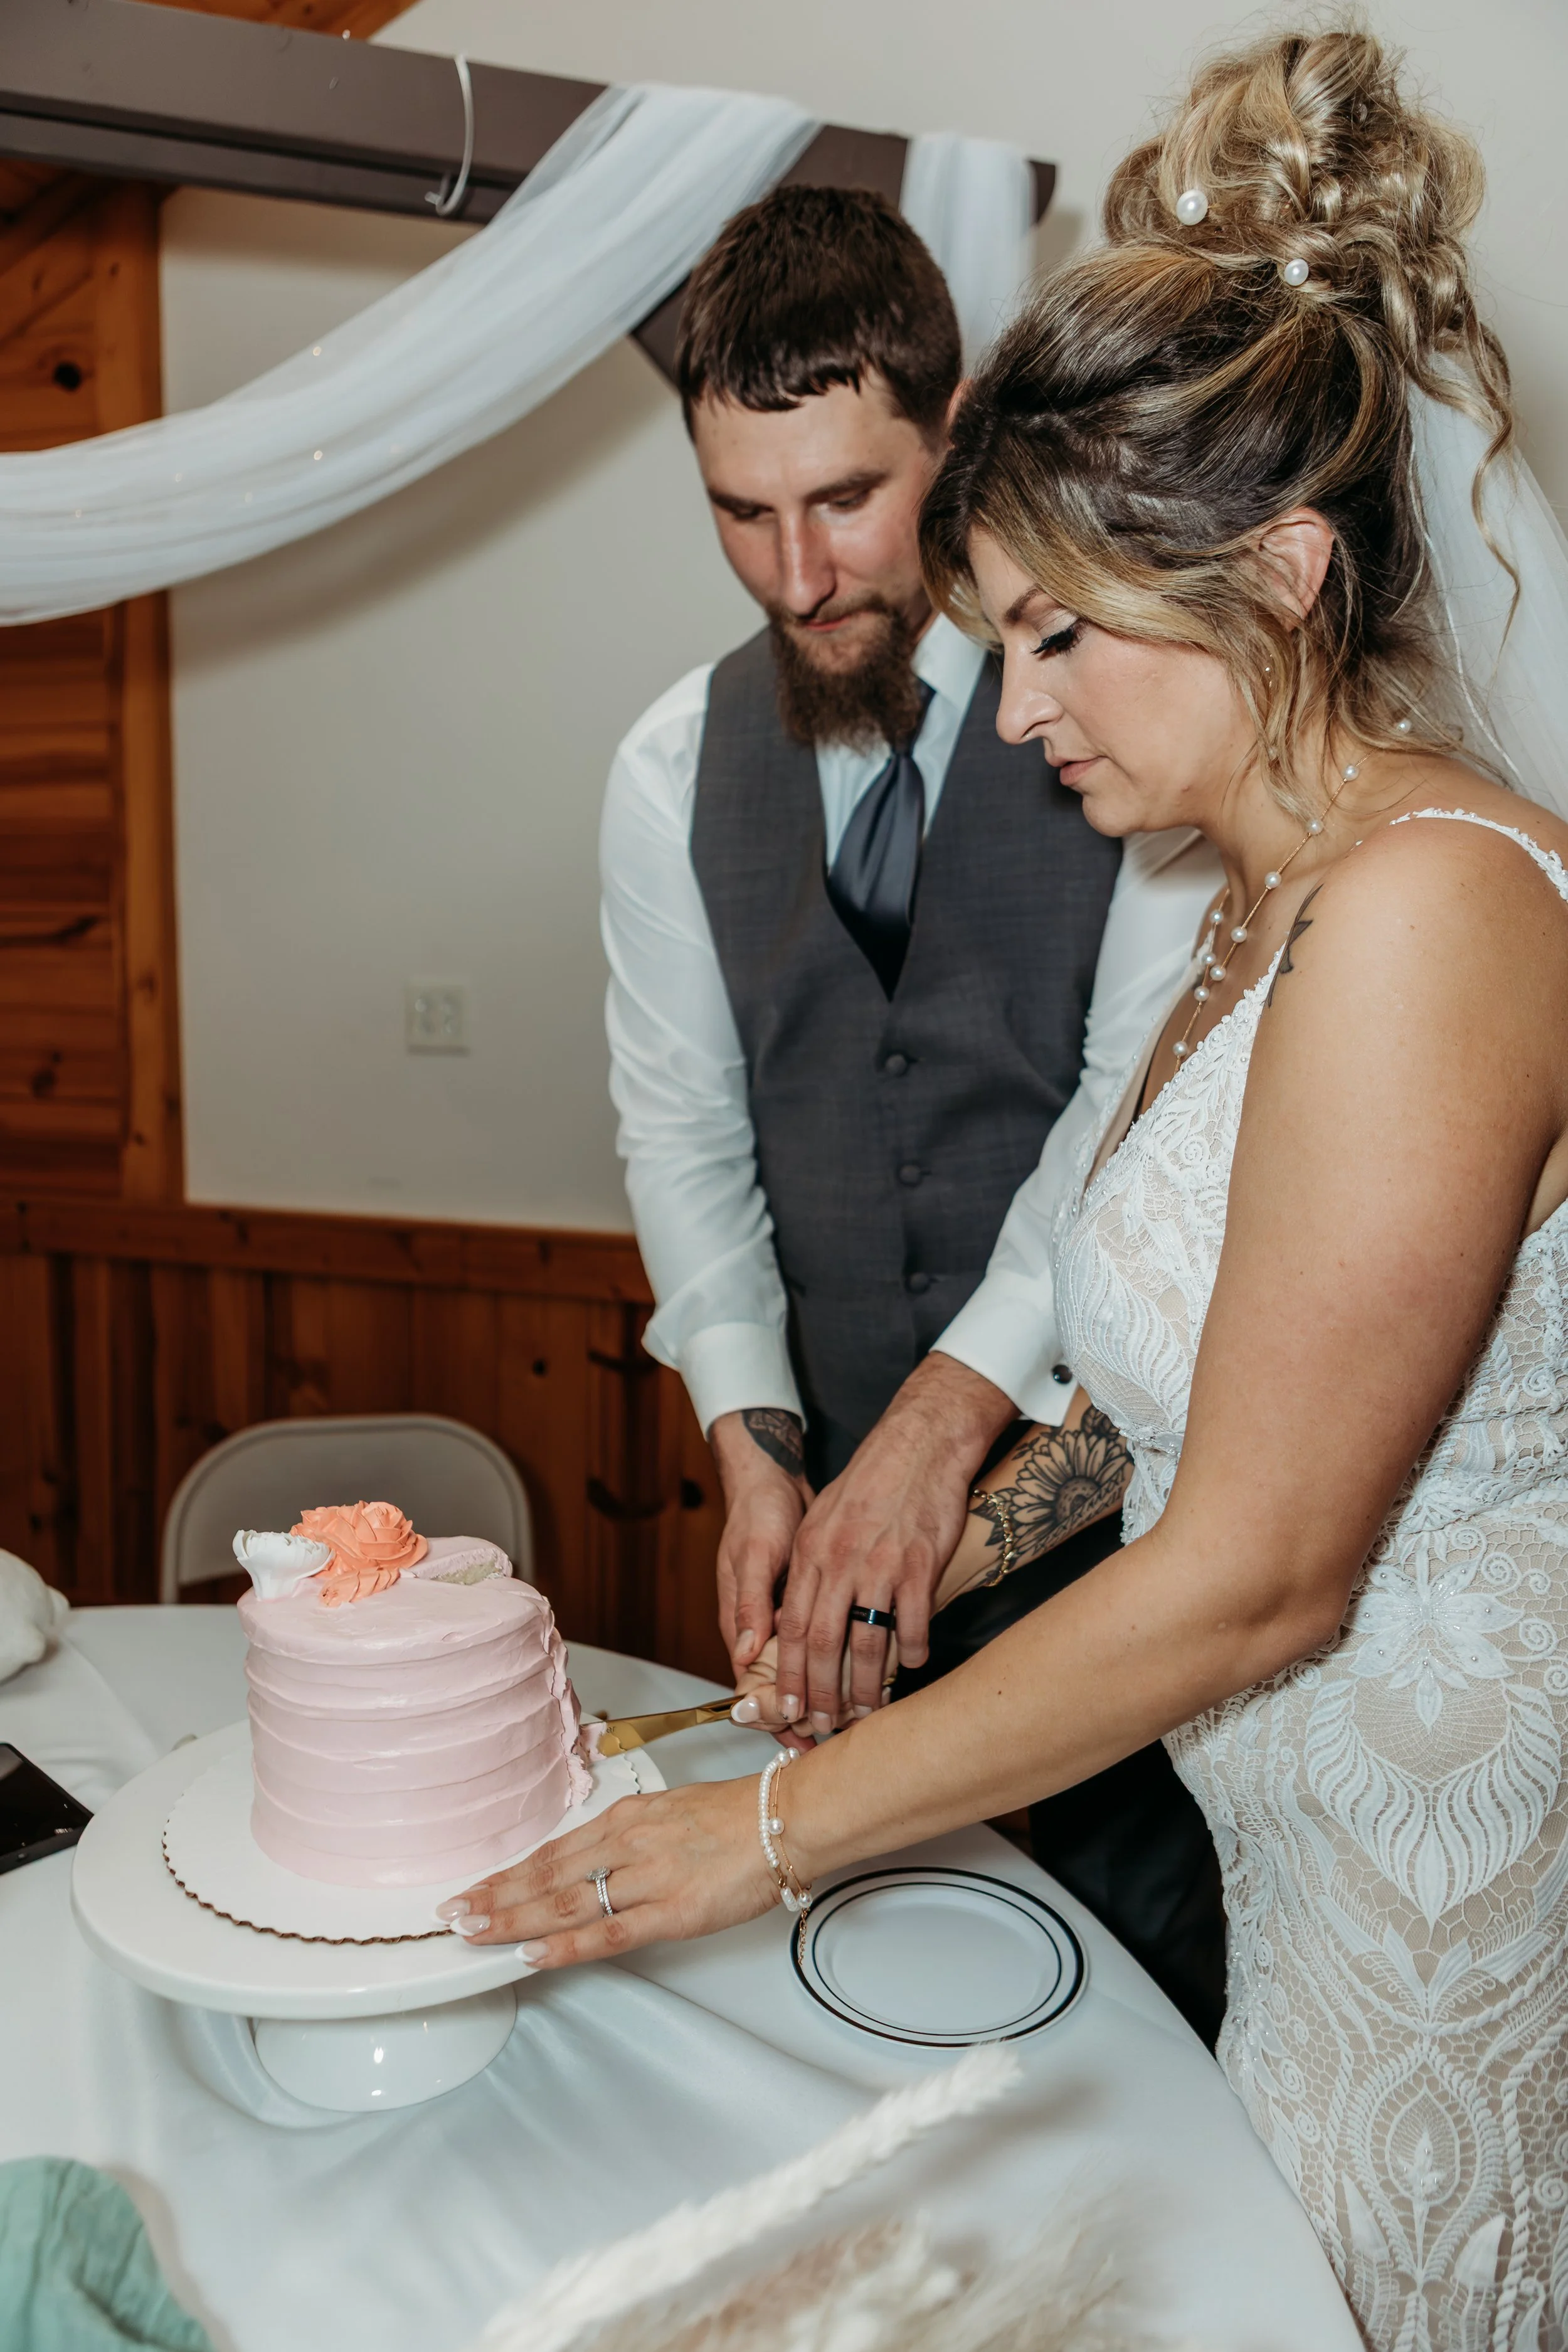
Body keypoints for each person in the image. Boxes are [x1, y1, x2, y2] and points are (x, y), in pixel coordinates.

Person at [450, 26, 1568, 2343]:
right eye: (1006, 634)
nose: (1023, 702)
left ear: (1274, 572)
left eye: (1062, 631)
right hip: (1304, 1854)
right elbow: (1158, 1416)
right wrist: (922, 1546)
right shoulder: (1259, 901)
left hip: (1436, 1881)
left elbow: (1255, 1567)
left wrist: (740, 1845)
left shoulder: (1439, 909)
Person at [600, 182, 1228, 2036]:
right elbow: (685, 1133)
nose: (801, 575)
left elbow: (1127, 1107)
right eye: (740, 514)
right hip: (821, 1545)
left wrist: (946, 1424)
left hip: (1116, 1506)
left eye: (846, 500)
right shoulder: (660, 773)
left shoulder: (1120, 709)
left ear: (949, 437)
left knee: (1141, 1980)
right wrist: (748, 1436)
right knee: (851, 1993)